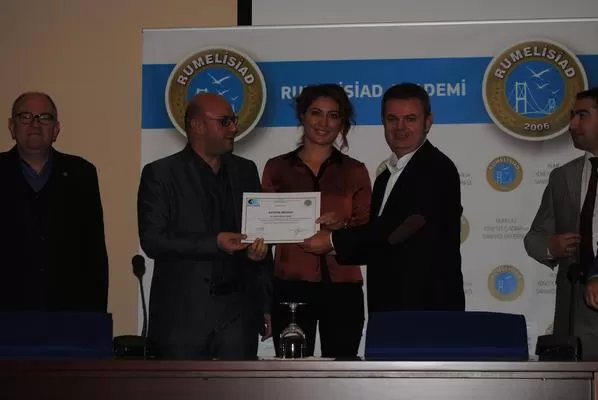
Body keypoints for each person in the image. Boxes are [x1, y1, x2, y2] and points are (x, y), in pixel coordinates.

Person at [301, 83, 465, 313]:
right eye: (392, 119)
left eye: (410, 119)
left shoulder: (436, 169)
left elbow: (396, 231)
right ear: (383, 122)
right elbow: (378, 232)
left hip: (427, 310)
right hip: (389, 306)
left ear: (428, 122)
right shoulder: (386, 176)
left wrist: (332, 241)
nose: (400, 127)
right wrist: (342, 227)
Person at [138, 93, 272, 360]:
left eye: (233, 121)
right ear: (198, 126)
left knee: (238, 385)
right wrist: (215, 243)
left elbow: (259, 234)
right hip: (182, 316)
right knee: (181, 386)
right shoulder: (161, 174)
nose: (234, 128)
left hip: (238, 313)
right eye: (225, 122)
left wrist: (265, 300)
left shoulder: (246, 171)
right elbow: (153, 240)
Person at [261, 84, 371, 359]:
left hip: (343, 288)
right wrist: (262, 298)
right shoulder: (277, 168)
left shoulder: (355, 171)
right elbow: (264, 234)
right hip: (289, 286)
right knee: (291, 375)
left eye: (333, 115)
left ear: (342, 122)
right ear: (302, 115)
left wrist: (341, 227)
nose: (324, 123)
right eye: (316, 113)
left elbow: (367, 233)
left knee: (342, 373)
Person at [0, 92, 108, 312]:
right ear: (12, 126)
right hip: (6, 312)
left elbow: (94, 253)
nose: (35, 123)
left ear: (56, 129)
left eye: (44, 117)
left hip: (68, 313)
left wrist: (94, 318)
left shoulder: (82, 174)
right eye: (25, 116)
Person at [525, 87, 598, 360]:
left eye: (582, 115)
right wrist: (551, 246)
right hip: (574, 311)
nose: (572, 125)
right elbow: (534, 238)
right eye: (572, 117)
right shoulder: (562, 177)